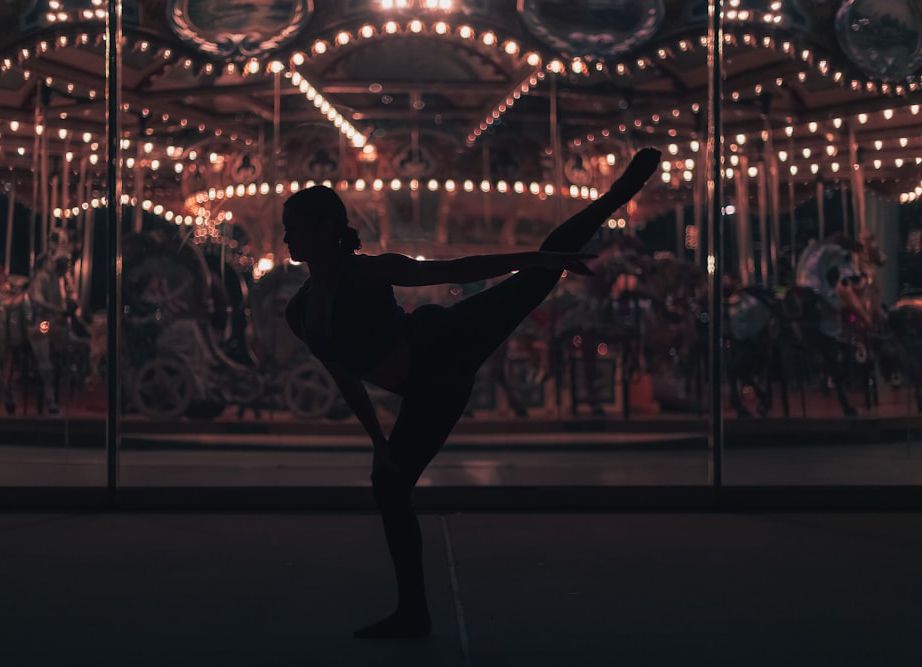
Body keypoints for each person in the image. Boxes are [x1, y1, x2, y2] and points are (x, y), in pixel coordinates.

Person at [283, 147, 661, 639]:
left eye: (294, 226)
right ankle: (412, 612)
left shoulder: (368, 272)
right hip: (428, 389)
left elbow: (454, 270)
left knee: (535, 279)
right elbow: (344, 378)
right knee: (389, 487)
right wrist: (379, 445)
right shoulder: (299, 311)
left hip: (444, 341)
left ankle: (613, 198)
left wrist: (537, 257)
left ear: (322, 229)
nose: (287, 236)